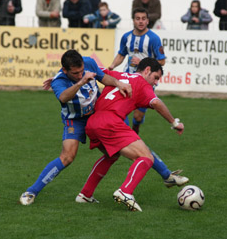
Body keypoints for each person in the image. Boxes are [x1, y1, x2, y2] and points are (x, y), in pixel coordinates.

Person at [19, 49, 132, 205]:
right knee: (67, 157)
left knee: (114, 152)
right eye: (75, 73)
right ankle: (31, 191)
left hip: (96, 115)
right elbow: (64, 97)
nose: (79, 75)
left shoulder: (89, 63)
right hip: (75, 120)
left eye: (81, 72)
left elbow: (103, 77)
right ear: (65, 70)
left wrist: (118, 83)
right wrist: (81, 82)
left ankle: (85, 195)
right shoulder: (59, 81)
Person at [75, 58, 184, 211]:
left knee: (111, 155)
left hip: (93, 122)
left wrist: (60, 76)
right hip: (110, 123)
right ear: (146, 71)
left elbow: (95, 71)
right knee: (146, 157)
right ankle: (125, 191)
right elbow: (156, 103)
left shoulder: (118, 75)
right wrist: (174, 123)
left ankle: (85, 194)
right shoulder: (142, 84)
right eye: (156, 78)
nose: (156, 83)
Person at [108, 7, 188, 189]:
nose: (141, 21)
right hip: (126, 85)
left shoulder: (153, 38)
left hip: (142, 85)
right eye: (138, 18)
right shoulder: (126, 37)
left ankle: (133, 135)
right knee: (124, 138)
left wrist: (143, 62)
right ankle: (135, 140)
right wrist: (112, 65)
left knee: (136, 118)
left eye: (144, 18)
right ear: (133, 20)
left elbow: (161, 61)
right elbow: (121, 53)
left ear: (147, 20)